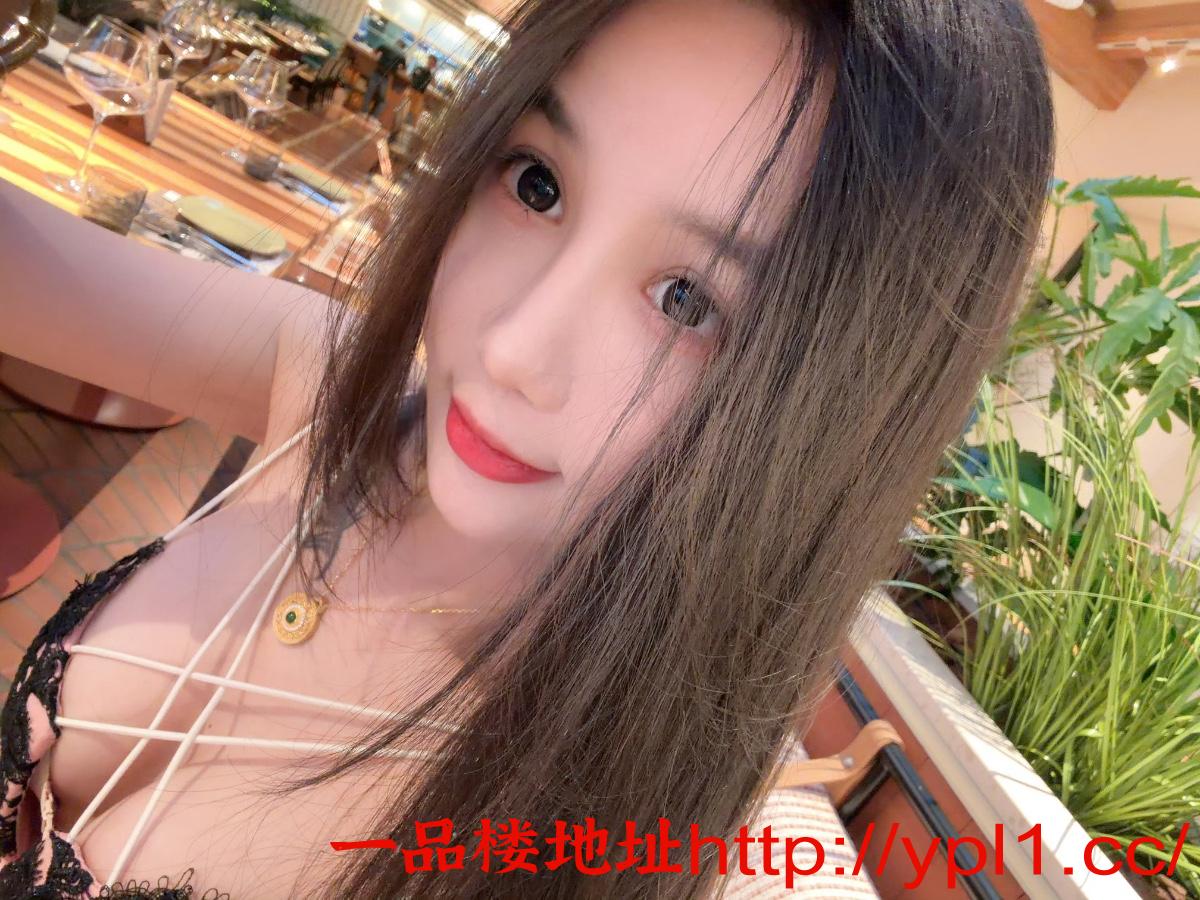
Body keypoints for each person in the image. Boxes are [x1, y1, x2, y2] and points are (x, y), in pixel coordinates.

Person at [0, 0, 1054, 896]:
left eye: (687, 301)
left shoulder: (584, 821)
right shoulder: (328, 388)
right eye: (537, 184)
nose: (512, 348)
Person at [363, 40, 406, 120]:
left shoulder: (385, 46)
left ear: (396, 43)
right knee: (383, 100)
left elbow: (373, 53)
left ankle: (364, 112)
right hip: (386, 77)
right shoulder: (402, 56)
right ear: (402, 48)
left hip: (377, 71)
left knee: (369, 92)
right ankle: (374, 117)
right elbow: (403, 70)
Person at [397, 53, 437, 127]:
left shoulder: (431, 75)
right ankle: (397, 125)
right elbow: (410, 77)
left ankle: (403, 127)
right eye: (429, 61)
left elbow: (433, 85)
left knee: (412, 112)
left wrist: (433, 74)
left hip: (419, 95)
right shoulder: (419, 68)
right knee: (402, 108)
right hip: (411, 90)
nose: (430, 64)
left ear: (434, 65)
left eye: (432, 63)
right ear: (427, 61)